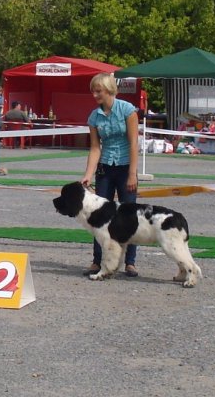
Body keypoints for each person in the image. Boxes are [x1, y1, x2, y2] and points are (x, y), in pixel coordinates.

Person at [81, 73, 140, 277]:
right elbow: (95, 147)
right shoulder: (94, 116)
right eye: (93, 91)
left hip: (125, 167)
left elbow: (133, 143)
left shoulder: (127, 110)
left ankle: (130, 262)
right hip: (105, 167)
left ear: (108, 89)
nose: (95, 95)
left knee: (128, 214)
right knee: (99, 215)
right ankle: (98, 261)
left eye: (98, 91)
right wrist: (88, 174)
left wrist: (133, 174)